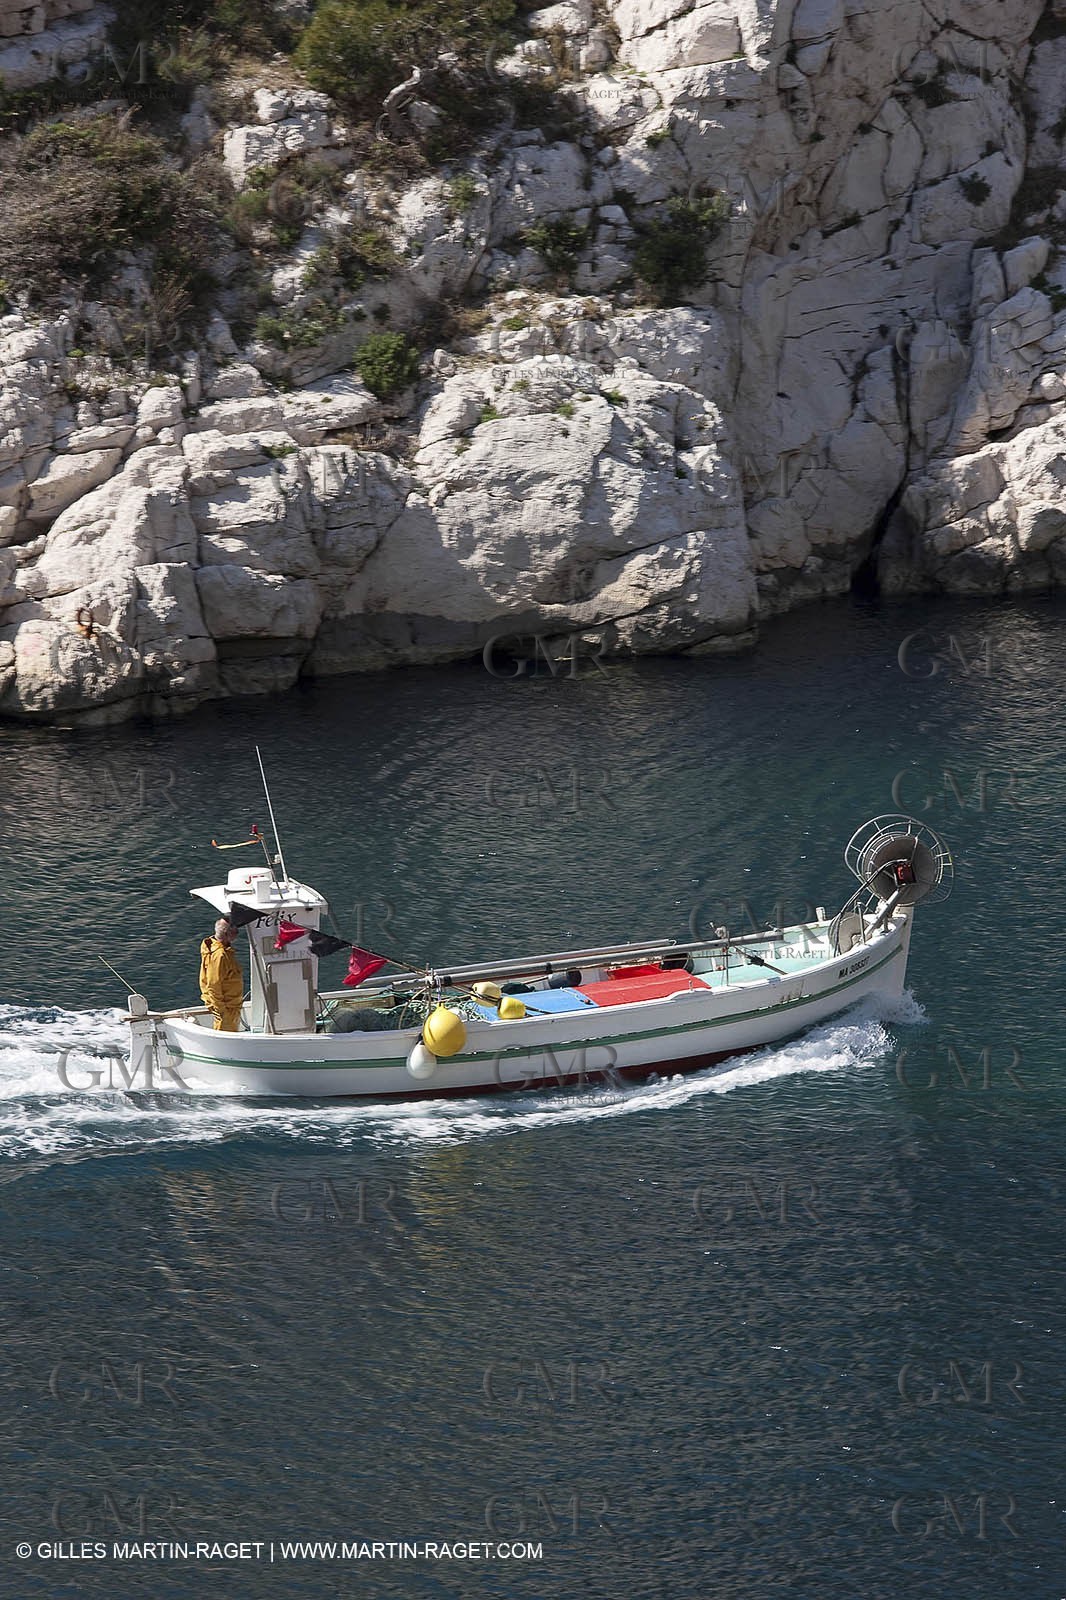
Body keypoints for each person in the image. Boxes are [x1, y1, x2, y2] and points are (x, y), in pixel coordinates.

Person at [200, 917, 245, 1032]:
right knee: (228, 1038)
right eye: (235, 932)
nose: (237, 935)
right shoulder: (220, 955)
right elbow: (213, 985)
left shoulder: (215, 947)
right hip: (227, 1007)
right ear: (226, 934)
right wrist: (222, 1011)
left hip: (231, 1006)